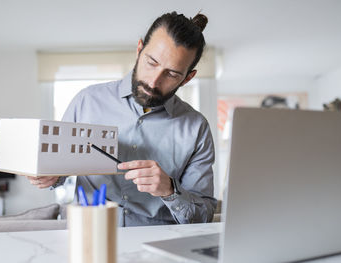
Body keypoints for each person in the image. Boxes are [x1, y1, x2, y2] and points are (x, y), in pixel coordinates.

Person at [28, 11, 217, 226]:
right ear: (139, 50)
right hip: (90, 236)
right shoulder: (87, 101)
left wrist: (170, 191)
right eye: (151, 62)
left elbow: (204, 215)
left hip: (157, 249)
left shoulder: (197, 128)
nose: (154, 82)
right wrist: (50, 176)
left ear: (187, 78)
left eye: (172, 74)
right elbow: (58, 167)